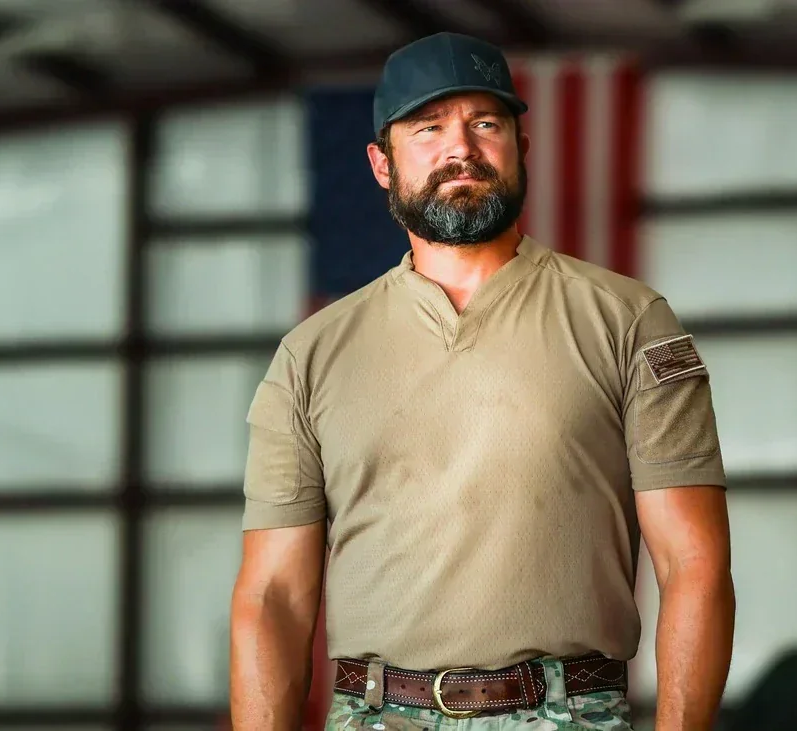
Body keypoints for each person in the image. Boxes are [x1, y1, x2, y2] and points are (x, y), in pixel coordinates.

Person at [228, 31, 735, 731]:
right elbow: (273, 597)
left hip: (568, 714)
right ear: (382, 163)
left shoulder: (627, 321)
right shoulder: (309, 356)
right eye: (428, 128)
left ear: (523, 147)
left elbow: (695, 565)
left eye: (485, 123)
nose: (458, 148)